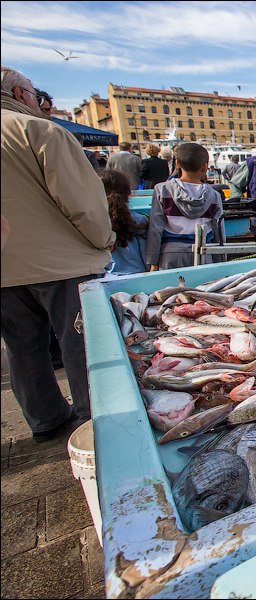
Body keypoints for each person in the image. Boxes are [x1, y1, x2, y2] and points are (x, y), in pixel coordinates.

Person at [1, 64, 116, 441]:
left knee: (22, 348)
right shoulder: (40, 130)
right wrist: (104, 242)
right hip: (62, 265)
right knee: (83, 346)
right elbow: (84, 204)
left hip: (5, 269)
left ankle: (45, 419)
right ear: (20, 95)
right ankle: (93, 422)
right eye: (37, 95)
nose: (39, 102)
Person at [146, 142, 223, 270]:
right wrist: (220, 260)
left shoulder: (163, 190)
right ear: (205, 167)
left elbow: (155, 228)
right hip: (205, 253)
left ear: (177, 164)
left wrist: (153, 261)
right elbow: (219, 232)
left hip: (171, 254)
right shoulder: (214, 196)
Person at [100, 168, 149, 275]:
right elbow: (146, 257)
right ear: (129, 193)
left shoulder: (94, 223)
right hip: (139, 276)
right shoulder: (139, 220)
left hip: (106, 277)